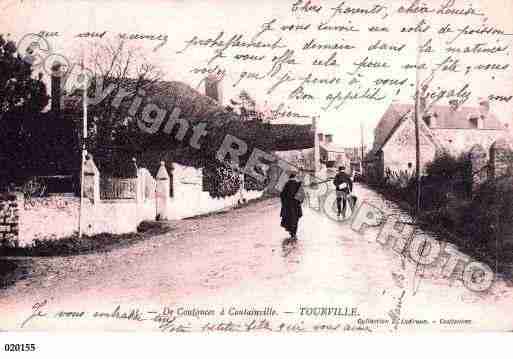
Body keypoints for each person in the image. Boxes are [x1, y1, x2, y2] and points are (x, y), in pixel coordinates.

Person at [280, 172, 305, 242]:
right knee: (295, 219)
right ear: (295, 178)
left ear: (289, 178)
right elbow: (302, 195)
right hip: (296, 206)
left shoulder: (286, 185)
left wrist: (284, 203)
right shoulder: (298, 184)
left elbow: (282, 195)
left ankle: (292, 233)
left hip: (288, 206)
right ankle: (294, 232)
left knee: (289, 219)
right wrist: (299, 202)